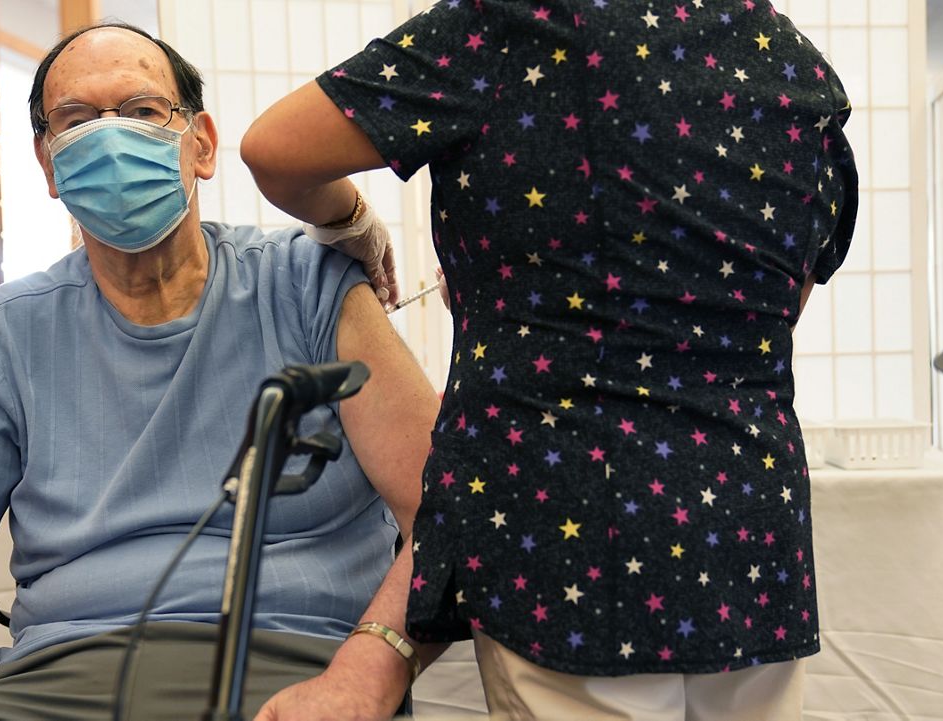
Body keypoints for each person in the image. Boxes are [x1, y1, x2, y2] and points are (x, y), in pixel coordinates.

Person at [241, 1, 859, 718]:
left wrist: (353, 219)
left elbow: (274, 150)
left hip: (573, 536)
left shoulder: (511, 21)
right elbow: (768, 317)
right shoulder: (801, 73)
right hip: (749, 542)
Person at [0, 23, 441, 721]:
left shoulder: (309, 288)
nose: (110, 136)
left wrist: (366, 674)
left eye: (142, 111)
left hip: (292, 674)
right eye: (76, 119)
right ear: (49, 165)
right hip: (62, 683)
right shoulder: (12, 329)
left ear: (202, 143)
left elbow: (444, 513)